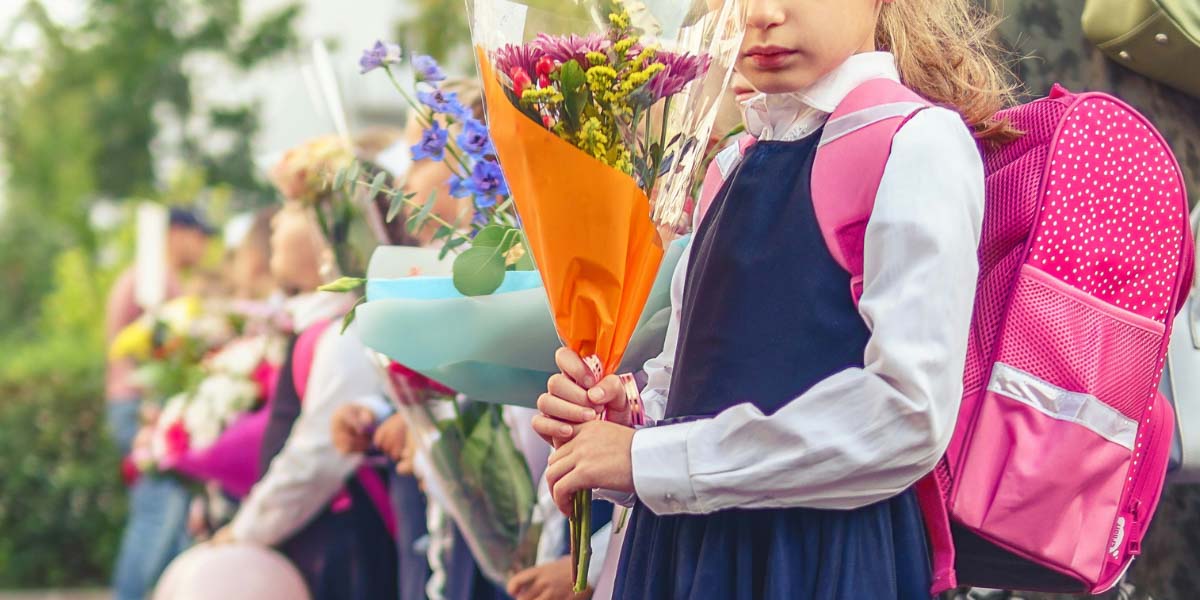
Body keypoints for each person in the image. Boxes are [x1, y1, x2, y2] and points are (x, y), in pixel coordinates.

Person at [534, 0, 1014, 597]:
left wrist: (652, 460)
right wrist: (621, 422)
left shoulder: (914, 144)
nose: (761, 14)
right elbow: (689, 384)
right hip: (687, 554)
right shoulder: (732, 165)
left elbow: (906, 414)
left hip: (817, 560)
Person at [211, 196, 398, 600]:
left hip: (343, 544)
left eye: (294, 206)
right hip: (313, 534)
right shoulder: (316, 325)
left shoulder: (346, 332)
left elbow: (319, 455)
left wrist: (247, 530)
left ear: (329, 232)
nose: (275, 220)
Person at [107, 207, 213, 600]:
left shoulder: (148, 277)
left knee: (170, 520)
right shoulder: (152, 282)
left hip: (138, 406)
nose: (204, 247)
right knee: (156, 514)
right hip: (145, 408)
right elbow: (157, 353)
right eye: (200, 237)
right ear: (177, 233)